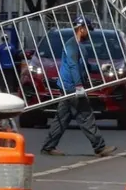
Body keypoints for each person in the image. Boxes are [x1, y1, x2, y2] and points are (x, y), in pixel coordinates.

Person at [41, 16, 117, 157]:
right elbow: (73, 66)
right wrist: (79, 86)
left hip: (70, 87)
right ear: (81, 29)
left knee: (62, 118)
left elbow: (85, 67)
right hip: (70, 87)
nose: (90, 33)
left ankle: (48, 147)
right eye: (88, 29)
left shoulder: (81, 47)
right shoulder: (71, 45)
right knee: (86, 116)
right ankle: (99, 147)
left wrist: (101, 68)